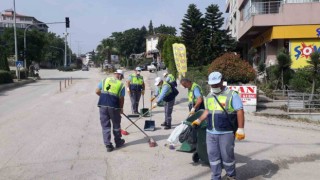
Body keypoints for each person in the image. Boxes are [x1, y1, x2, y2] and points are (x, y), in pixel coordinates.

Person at [191, 71, 245, 180]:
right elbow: (207, 111)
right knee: (212, 156)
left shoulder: (231, 95)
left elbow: (240, 111)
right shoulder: (209, 96)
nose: (214, 86)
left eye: (216, 84)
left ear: (222, 81)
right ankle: (215, 176)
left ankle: (231, 175)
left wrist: (240, 128)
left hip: (226, 132)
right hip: (210, 132)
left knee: (227, 156)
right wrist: (198, 120)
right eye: (212, 84)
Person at [96, 69, 126, 152]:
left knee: (105, 126)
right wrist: (121, 108)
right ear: (120, 75)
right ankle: (118, 142)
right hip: (114, 107)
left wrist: (104, 97)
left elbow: (97, 91)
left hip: (102, 105)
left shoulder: (105, 80)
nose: (121, 78)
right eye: (122, 77)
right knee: (116, 125)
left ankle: (108, 145)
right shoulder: (121, 85)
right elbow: (121, 99)